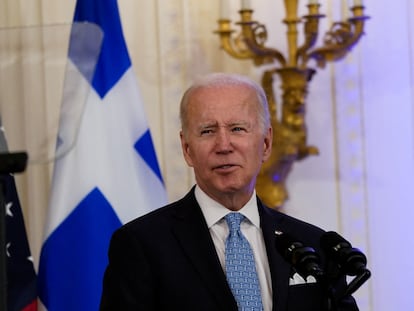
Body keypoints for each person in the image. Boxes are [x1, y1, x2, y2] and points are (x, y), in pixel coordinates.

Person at [99, 73, 359, 311]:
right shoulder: (141, 245)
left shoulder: (313, 245)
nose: (223, 145)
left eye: (237, 128)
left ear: (266, 143)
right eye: (207, 131)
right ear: (187, 149)